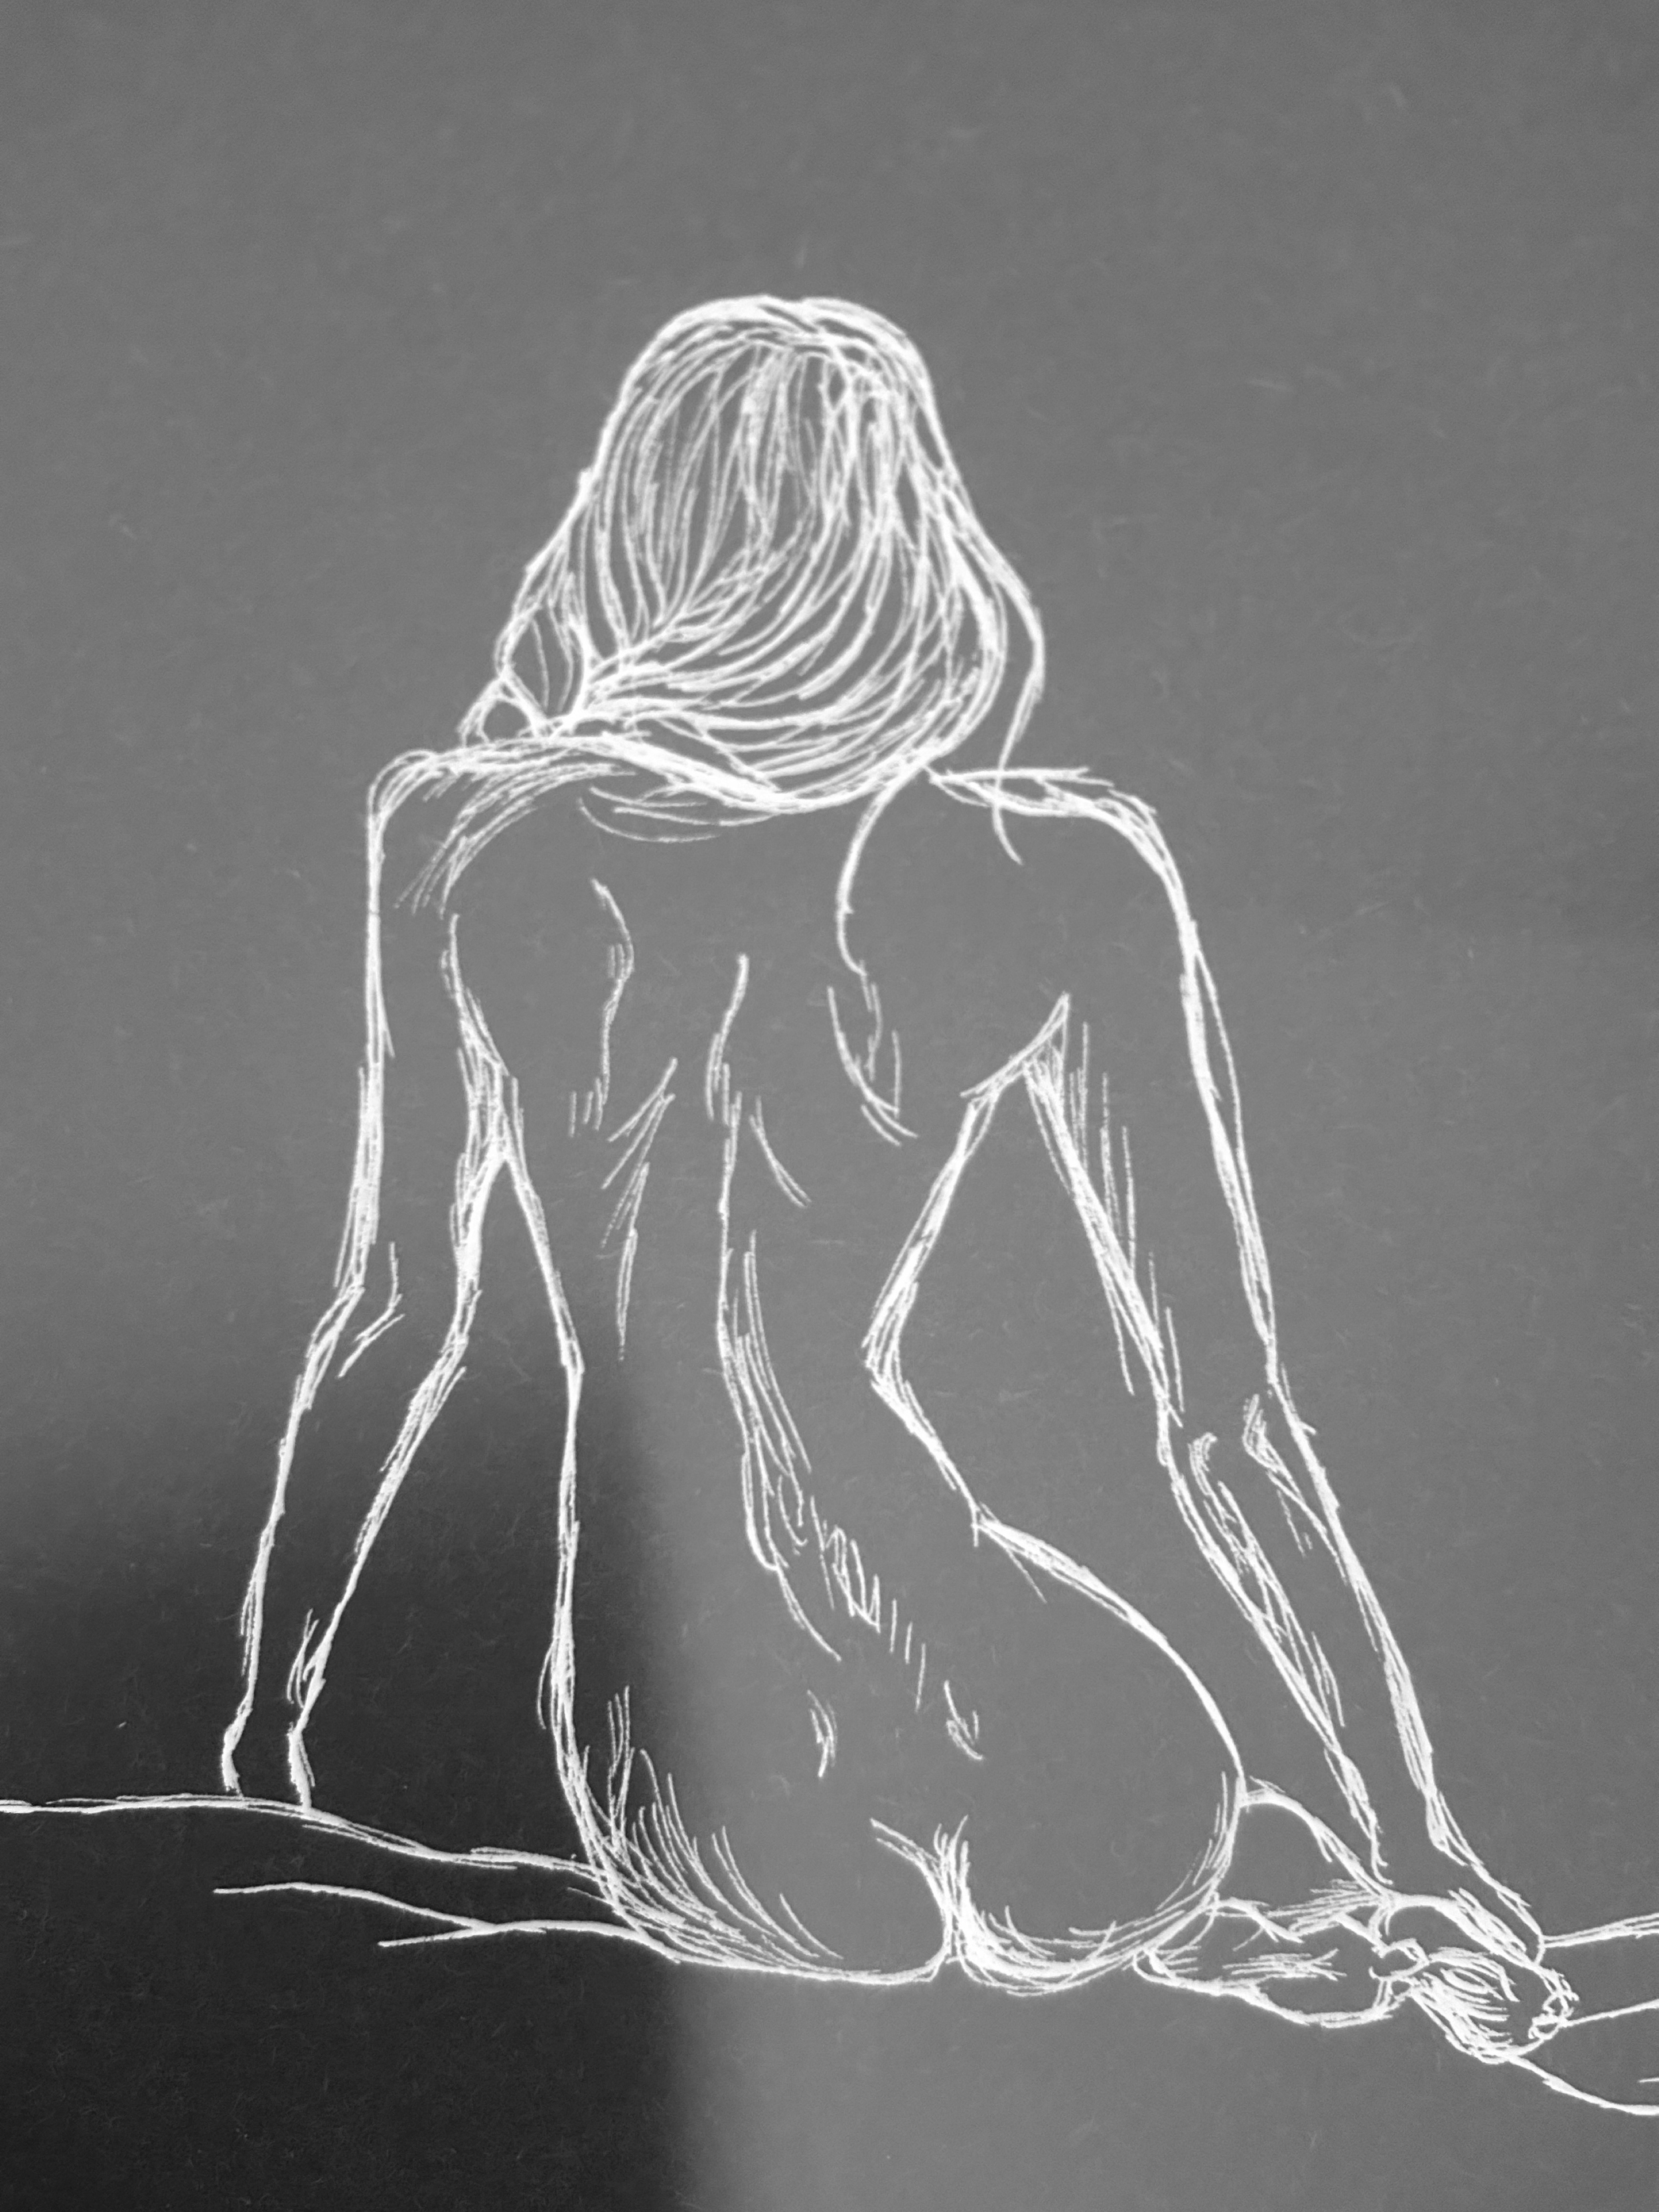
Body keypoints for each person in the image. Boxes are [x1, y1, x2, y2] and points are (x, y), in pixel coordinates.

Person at [218, 296, 1650, 2101]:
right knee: (1141, 1855)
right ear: (916, 547)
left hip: (710, 1770)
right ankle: (1285, 1916)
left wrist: (262, 1736)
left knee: (865, 1918)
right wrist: (1418, 1834)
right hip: (1088, 1774)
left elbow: (397, 1322)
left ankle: (1278, 1925)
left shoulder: (459, 833)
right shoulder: (1060, 868)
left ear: (633, 532)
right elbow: (1221, 1421)